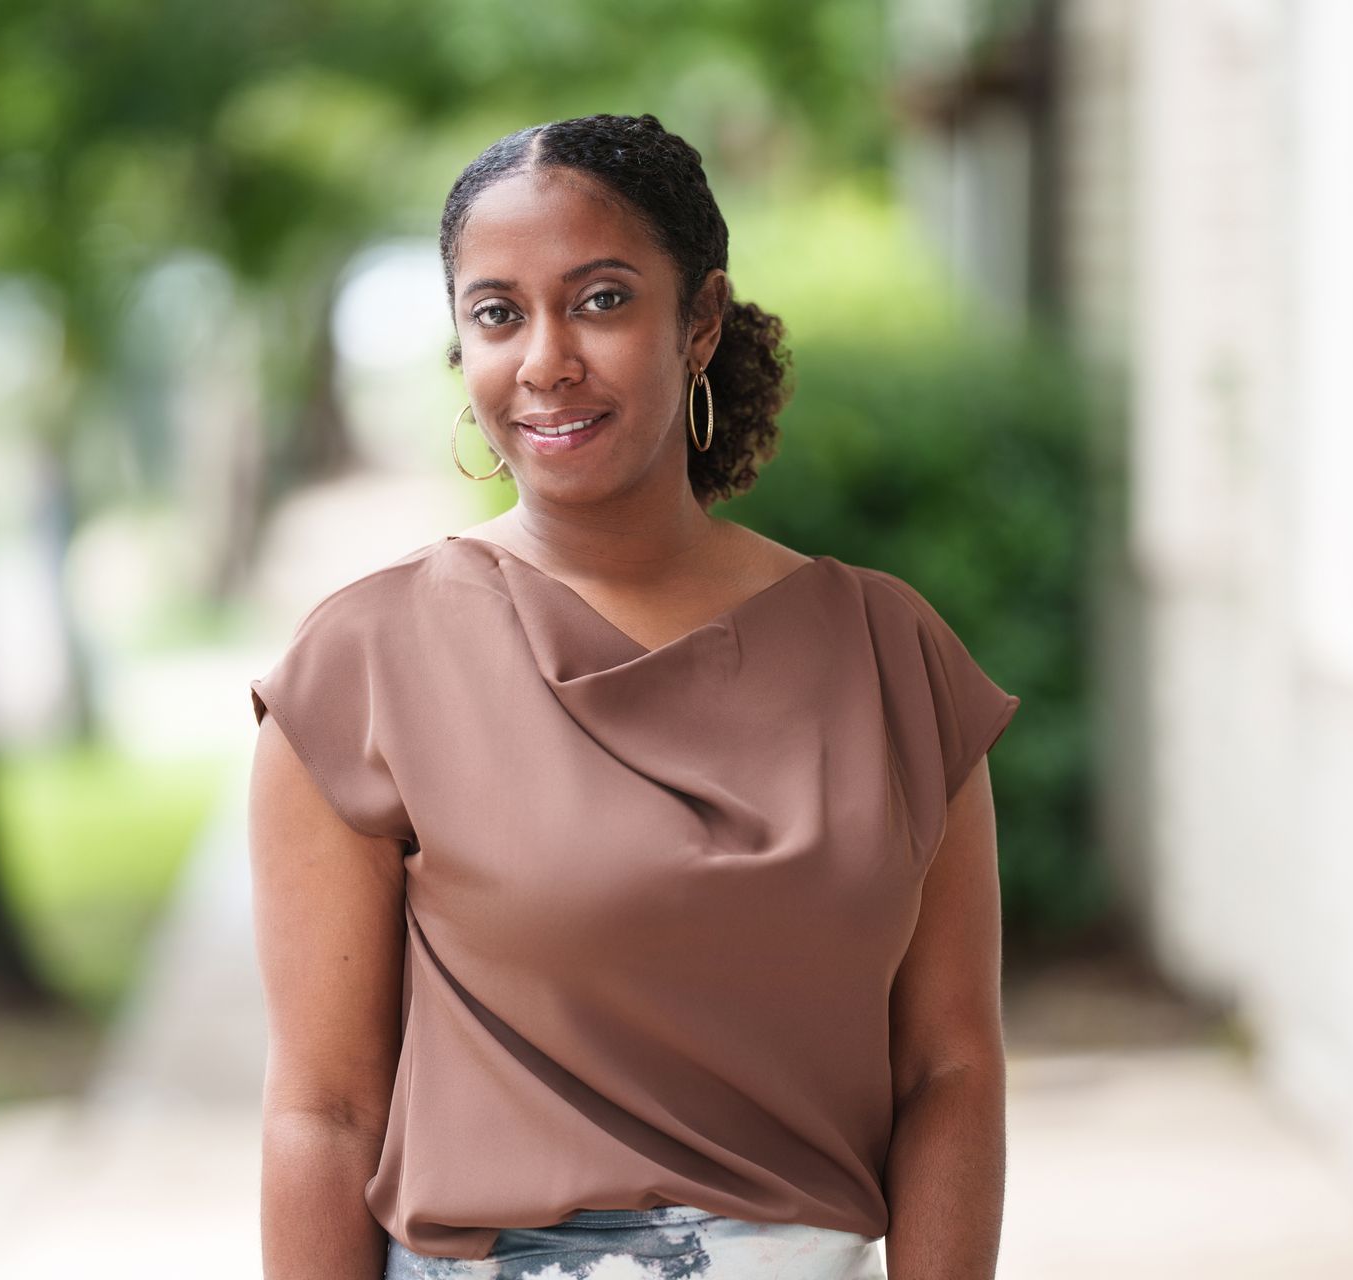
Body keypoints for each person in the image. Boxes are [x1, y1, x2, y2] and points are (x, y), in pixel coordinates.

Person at [247, 112, 1019, 1280]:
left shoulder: (887, 653)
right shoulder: (363, 663)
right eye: (497, 313)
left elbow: (950, 1068)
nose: (546, 358)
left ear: (699, 321)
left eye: (601, 299)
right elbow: (323, 1112)